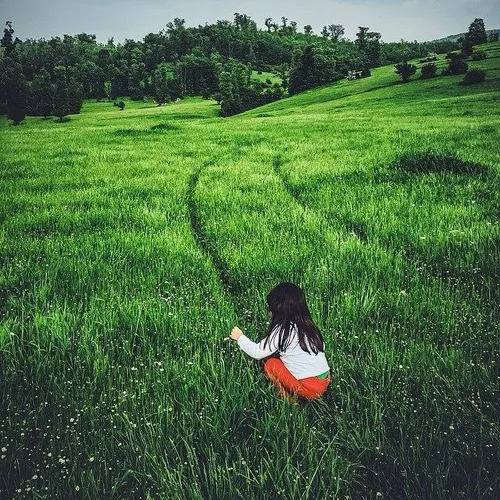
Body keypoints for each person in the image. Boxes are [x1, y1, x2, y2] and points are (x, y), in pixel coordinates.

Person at [229, 282, 331, 403]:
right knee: (281, 358)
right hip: (325, 381)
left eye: (270, 307)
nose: (269, 311)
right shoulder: (309, 327)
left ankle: (289, 401)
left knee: (271, 364)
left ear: (279, 309)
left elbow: (257, 352)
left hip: (308, 388)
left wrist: (240, 338)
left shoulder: (283, 330)